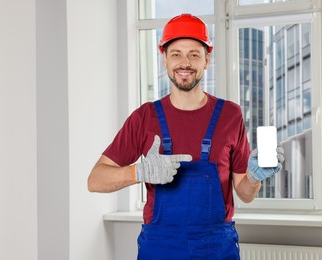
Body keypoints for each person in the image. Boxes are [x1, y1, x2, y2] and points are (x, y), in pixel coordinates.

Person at [88, 13, 284, 260]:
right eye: (176, 54)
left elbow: (245, 194)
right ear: (164, 60)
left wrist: (254, 178)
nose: (185, 62)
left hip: (216, 248)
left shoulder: (230, 115)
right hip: (160, 247)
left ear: (207, 60)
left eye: (194, 54)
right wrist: (138, 172)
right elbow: (95, 180)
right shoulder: (144, 117)